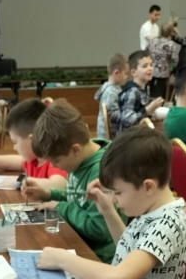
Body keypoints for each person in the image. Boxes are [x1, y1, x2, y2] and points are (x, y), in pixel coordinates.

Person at [36, 127, 186, 279]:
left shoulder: (167, 224)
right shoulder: (152, 208)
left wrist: (63, 259)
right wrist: (108, 211)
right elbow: (128, 247)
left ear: (148, 187)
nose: (114, 199)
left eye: (118, 192)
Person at [21, 100, 126, 263]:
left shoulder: (101, 172)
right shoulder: (79, 160)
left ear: (75, 150)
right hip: (78, 243)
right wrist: (48, 194)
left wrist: (60, 207)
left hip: (97, 257)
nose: (53, 166)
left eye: (56, 161)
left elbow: (98, 229)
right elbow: (76, 197)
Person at [0, 98, 66, 190]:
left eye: (15, 142)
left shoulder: (55, 161)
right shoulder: (33, 159)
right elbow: (19, 162)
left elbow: (59, 185)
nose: (14, 147)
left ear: (32, 140)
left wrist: (19, 181)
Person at [118, 51, 164, 131]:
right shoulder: (132, 92)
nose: (150, 68)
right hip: (129, 136)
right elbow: (127, 120)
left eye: (151, 65)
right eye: (145, 66)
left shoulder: (145, 88)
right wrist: (148, 109)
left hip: (140, 131)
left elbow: (140, 114)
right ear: (134, 72)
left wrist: (151, 116)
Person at [94, 53, 129, 138]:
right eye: (125, 73)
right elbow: (113, 115)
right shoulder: (111, 92)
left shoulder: (111, 87)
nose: (127, 77)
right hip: (110, 136)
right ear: (116, 73)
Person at [147, 23, 181, 100]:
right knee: (160, 94)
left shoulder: (153, 40)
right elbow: (175, 59)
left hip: (151, 69)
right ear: (170, 32)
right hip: (163, 72)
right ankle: (159, 105)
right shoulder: (171, 44)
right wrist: (171, 66)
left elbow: (146, 51)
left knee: (148, 90)